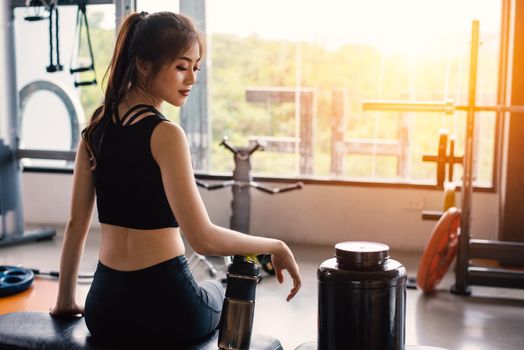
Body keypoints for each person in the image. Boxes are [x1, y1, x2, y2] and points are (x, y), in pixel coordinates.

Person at [50, 11, 301, 347]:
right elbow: (203, 238)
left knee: (203, 284)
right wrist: (275, 245)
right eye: (182, 66)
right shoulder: (166, 134)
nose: (192, 79)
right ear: (143, 64)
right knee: (218, 288)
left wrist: (65, 301)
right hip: (167, 310)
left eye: (196, 68)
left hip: (104, 310)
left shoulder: (94, 129)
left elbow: (75, 222)